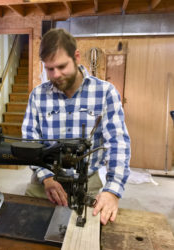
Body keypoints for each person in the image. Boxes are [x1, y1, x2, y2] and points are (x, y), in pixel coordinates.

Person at [21, 28, 131, 225]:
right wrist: (46, 177)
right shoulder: (37, 95)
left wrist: (113, 190)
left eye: (62, 66)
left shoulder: (105, 93)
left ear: (77, 57)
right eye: (49, 68)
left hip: (88, 182)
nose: (56, 74)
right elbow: (30, 139)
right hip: (45, 182)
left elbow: (118, 143)